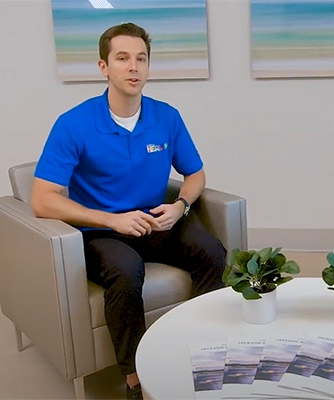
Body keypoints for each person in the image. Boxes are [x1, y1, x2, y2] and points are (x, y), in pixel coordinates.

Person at [30, 23, 226, 400]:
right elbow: (42, 199)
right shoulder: (74, 124)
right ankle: (137, 379)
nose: (133, 67)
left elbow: (195, 173)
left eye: (141, 59)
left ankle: (199, 350)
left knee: (212, 252)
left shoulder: (166, 116)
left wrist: (180, 206)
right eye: (122, 58)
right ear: (104, 67)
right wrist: (110, 219)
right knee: (125, 271)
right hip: (99, 230)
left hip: (154, 220)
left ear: (149, 67)